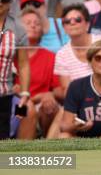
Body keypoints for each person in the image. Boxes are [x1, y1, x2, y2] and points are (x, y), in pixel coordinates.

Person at [13, 8, 61, 139]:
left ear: (42, 30)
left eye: (37, 23)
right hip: (15, 103)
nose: (33, 25)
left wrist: (49, 94)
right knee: (24, 108)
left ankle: (45, 147)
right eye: (28, 23)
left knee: (50, 106)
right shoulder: (10, 55)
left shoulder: (51, 57)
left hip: (41, 106)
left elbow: (59, 89)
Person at [0, 0, 30, 139]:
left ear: (10, 2)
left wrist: (25, 93)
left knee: (2, 141)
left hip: (4, 95)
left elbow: (24, 64)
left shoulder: (18, 29)